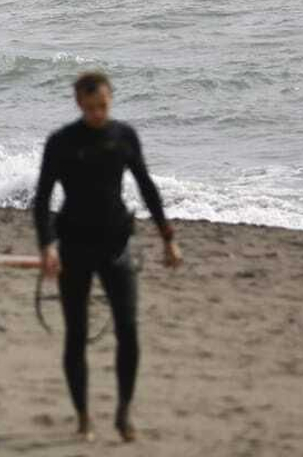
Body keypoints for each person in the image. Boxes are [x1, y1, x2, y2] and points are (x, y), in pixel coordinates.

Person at [33, 71, 182, 443]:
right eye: (90, 108)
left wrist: (168, 237)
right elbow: (42, 198)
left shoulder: (123, 137)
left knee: (128, 331)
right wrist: (47, 246)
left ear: (110, 100)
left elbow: (146, 187)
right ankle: (83, 416)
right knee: (76, 335)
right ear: (79, 104)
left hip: (117, 245)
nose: (98, 114)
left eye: (103, 106)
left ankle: (124, 411)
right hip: (74, 247)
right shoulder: (62, 142)